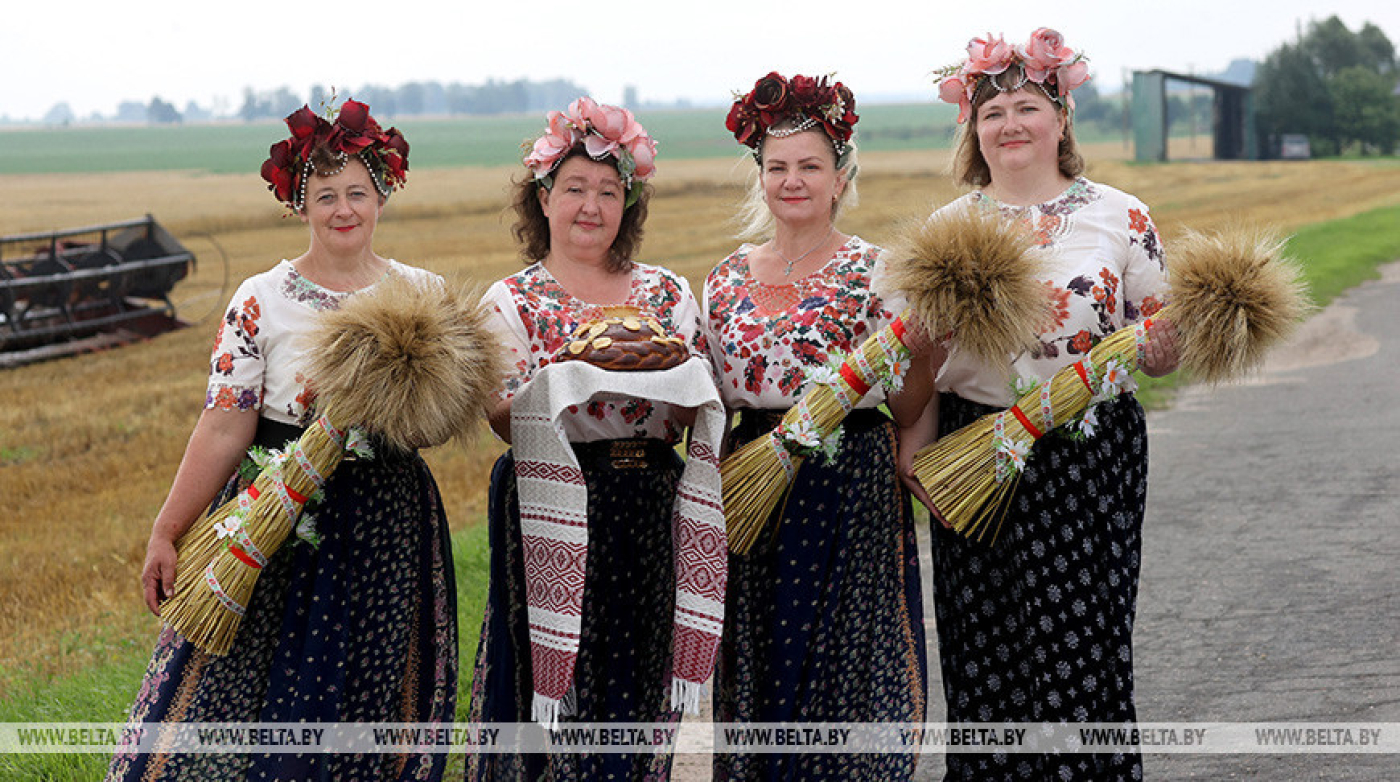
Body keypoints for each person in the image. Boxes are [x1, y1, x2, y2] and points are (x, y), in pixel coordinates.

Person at [107, 100, 457, 781]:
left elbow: (437, 426)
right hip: (278, 521)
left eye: (357, 191)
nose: (343, 208)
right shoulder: (260, 299)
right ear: (299, 204)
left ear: (383, 195)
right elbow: (223, 424)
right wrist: (167, 528)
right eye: (324, 195)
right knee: (250, 697)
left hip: (389, 521)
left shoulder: (425, 293)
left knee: (375, 693)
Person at [900, 29, 1180, 780]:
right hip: (974, 455)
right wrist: (915, 444)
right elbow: (924, 360)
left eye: (1028, 106)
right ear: (974, 131)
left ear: (1061, 119)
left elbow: (1159, 344)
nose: (1011, 123)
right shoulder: (946, 232)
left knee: (1083, 658)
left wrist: (1166, 342)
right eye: (992, 112)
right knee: (984, 658)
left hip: (1088, 458)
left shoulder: (1122, 216)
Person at [466, 97, 726, 782]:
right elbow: (503, 414)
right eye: (575, 188)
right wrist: (594, 382)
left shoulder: (666, 292)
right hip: (554, 499)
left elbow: (695, 404)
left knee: (640, 673)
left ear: (628, 204)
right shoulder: (512, 300)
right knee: (555, 673)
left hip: (649, 498)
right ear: (543, 198)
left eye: (609, 191)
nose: (591, 206)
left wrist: (608, 382)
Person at [705, 72, 933, 781]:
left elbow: (907, 405)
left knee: (848, 663)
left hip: (848, 485)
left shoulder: (878, 271)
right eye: (778, 167)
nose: (792, 180)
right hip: (752, 481)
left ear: (840, 178)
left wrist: (930, 346)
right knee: (762, 659)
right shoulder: (723, 279)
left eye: (810, 166)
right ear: (760, 178)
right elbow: (710, 402)